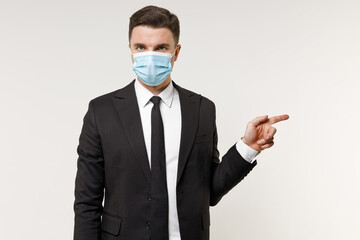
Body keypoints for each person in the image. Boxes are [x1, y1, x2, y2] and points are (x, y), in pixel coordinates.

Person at [73, 5, 289, 240]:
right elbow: (87, 203)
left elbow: (210, 192)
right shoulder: (102, 111)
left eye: (161, 48)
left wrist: (248, 147)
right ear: (131, 51)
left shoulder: (202, 109)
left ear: (176, 52)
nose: (150, 56)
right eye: (141, 47)